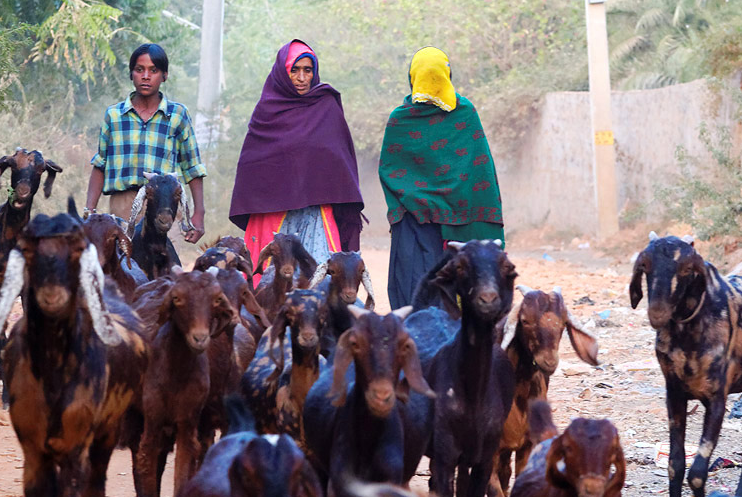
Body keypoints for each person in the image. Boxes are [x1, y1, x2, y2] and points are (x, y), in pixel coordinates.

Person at [379, 46, 504, 308]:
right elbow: (479, 173)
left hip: (416, 223)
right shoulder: (462, 113)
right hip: (452, 220)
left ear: (412, 78)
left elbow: (390, 172)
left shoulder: (402, 119)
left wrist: (417, 200)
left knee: (415, 292)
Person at [229, 40, 363, 276]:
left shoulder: (326, 105)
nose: (302, 77)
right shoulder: (267, 110)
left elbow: (340, 159)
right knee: (272, 281)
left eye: (307, 70)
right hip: (275, 212)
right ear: (283, 71)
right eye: (295, 70)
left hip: (317, 214)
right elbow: (254, 165)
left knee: (320, 280)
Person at [85, 43, 206, 243]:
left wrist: (199, 213)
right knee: (122, 266)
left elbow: (192, 166)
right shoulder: (114, 115)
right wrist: (90, 211)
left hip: (165, 205)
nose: (146, 76)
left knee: (163, 268)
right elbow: (100, 164)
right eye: (139, 70)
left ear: (164, 75)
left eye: (154, 71)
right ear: (131, 74)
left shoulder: (177, 115)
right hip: (122, 205)